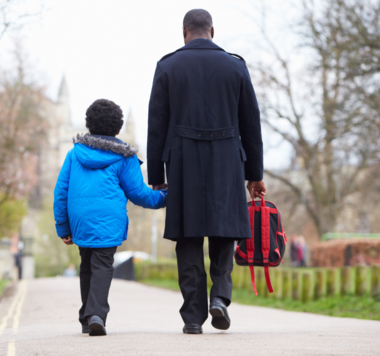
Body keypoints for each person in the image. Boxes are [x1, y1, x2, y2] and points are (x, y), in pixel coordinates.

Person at [147, 9, 267, 334]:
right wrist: (254, 174)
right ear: (212, 30)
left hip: (183, 160)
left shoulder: (167, 66)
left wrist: (156, 177)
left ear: (184, 31)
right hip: (228, 158)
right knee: (223, 231)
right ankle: (220, 299)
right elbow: (250, 123)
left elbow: (156, 126)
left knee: (187, 237)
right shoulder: (235, 65)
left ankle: (192, 317)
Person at [53, 99, 167, 336]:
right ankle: (96, 314)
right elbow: (139, 194)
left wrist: (63, 226)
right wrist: (166, 197)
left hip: (79, 219)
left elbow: (61, 191)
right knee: (103, 264)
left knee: (87, 263)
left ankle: (87, 316)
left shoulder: (75, 154)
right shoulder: (124, 157)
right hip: (109, 220)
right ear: (118, 129)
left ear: (89, 126)